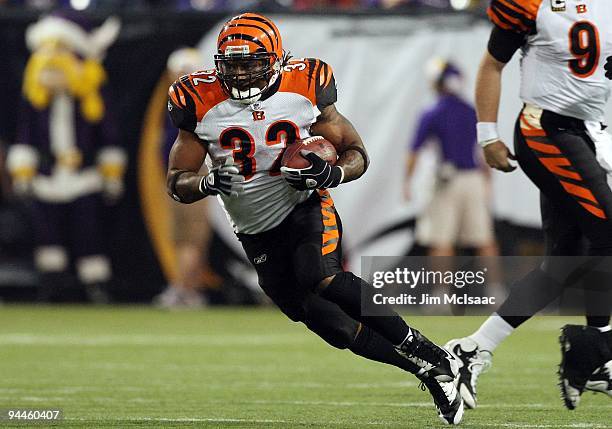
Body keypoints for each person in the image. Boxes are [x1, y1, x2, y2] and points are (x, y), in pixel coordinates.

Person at [166, 12, 463, 424]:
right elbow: (176, 181)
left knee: (319, 273)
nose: (240, 72)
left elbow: (356, 151)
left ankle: (432, 351)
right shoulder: (196, 98)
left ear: (274, 58)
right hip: (254, 229)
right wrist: (205, 182)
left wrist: (331, 173)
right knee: (336, 329)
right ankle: (431, 372)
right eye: (231, 63)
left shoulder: (305, 84)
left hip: (303, 204)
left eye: (249, 62)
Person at [445, 0, 612, 411]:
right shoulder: (532, 4)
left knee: (561, 265)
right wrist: (487, 135)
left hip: (588, 131)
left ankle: (472, 349)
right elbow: (491, 65)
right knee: (607, 230)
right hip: (546, 128)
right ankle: (597, 350)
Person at [6, 12, 125, 303]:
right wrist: (23, 169)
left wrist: (110, 171)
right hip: (47, 174)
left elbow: (108, 134)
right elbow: (25, 135)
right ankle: (52, 283)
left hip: (84, 175)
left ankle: (96, 284)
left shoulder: (92, 94)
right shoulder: (35, 97)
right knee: (48, 232)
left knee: (88, 231)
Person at [405, 59, 497, 259]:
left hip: (446, 180)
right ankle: (495, 288)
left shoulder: (432, 112)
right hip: (474, 179)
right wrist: (487, 181)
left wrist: (407, 182)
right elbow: (480, 150)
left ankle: (442, 290)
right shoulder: (471, 111)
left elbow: (414, 151)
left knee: (441, 241)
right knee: (483, 239)